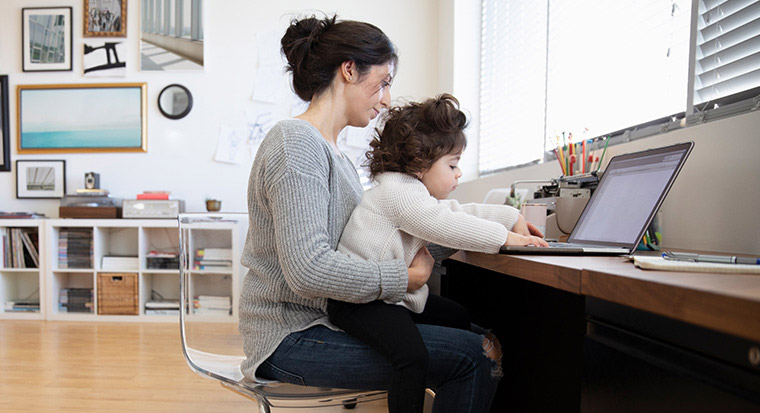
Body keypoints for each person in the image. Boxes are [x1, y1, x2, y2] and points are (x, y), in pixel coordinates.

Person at [238, 14, 541, 412]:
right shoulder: (296, 144)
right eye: (382, 83)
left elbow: (400, 233)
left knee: (482, 338)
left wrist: (502, 219)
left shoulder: (338, 158)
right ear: (349, 70)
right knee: (475, 356)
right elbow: (308, 270)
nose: (386, 99)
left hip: (325, 321)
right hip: (291, 336)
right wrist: (405, 277)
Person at [329, 94, 547, 411]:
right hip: (358, 301)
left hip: (388, 296)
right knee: (412, 357)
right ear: (420, 163)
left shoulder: (409, 190)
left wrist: (509, 216)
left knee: (456, 315)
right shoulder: (397, 192)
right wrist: (505, 239)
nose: (458, 173)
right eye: (453, 164)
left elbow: (453, 210)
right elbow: (443, 223)